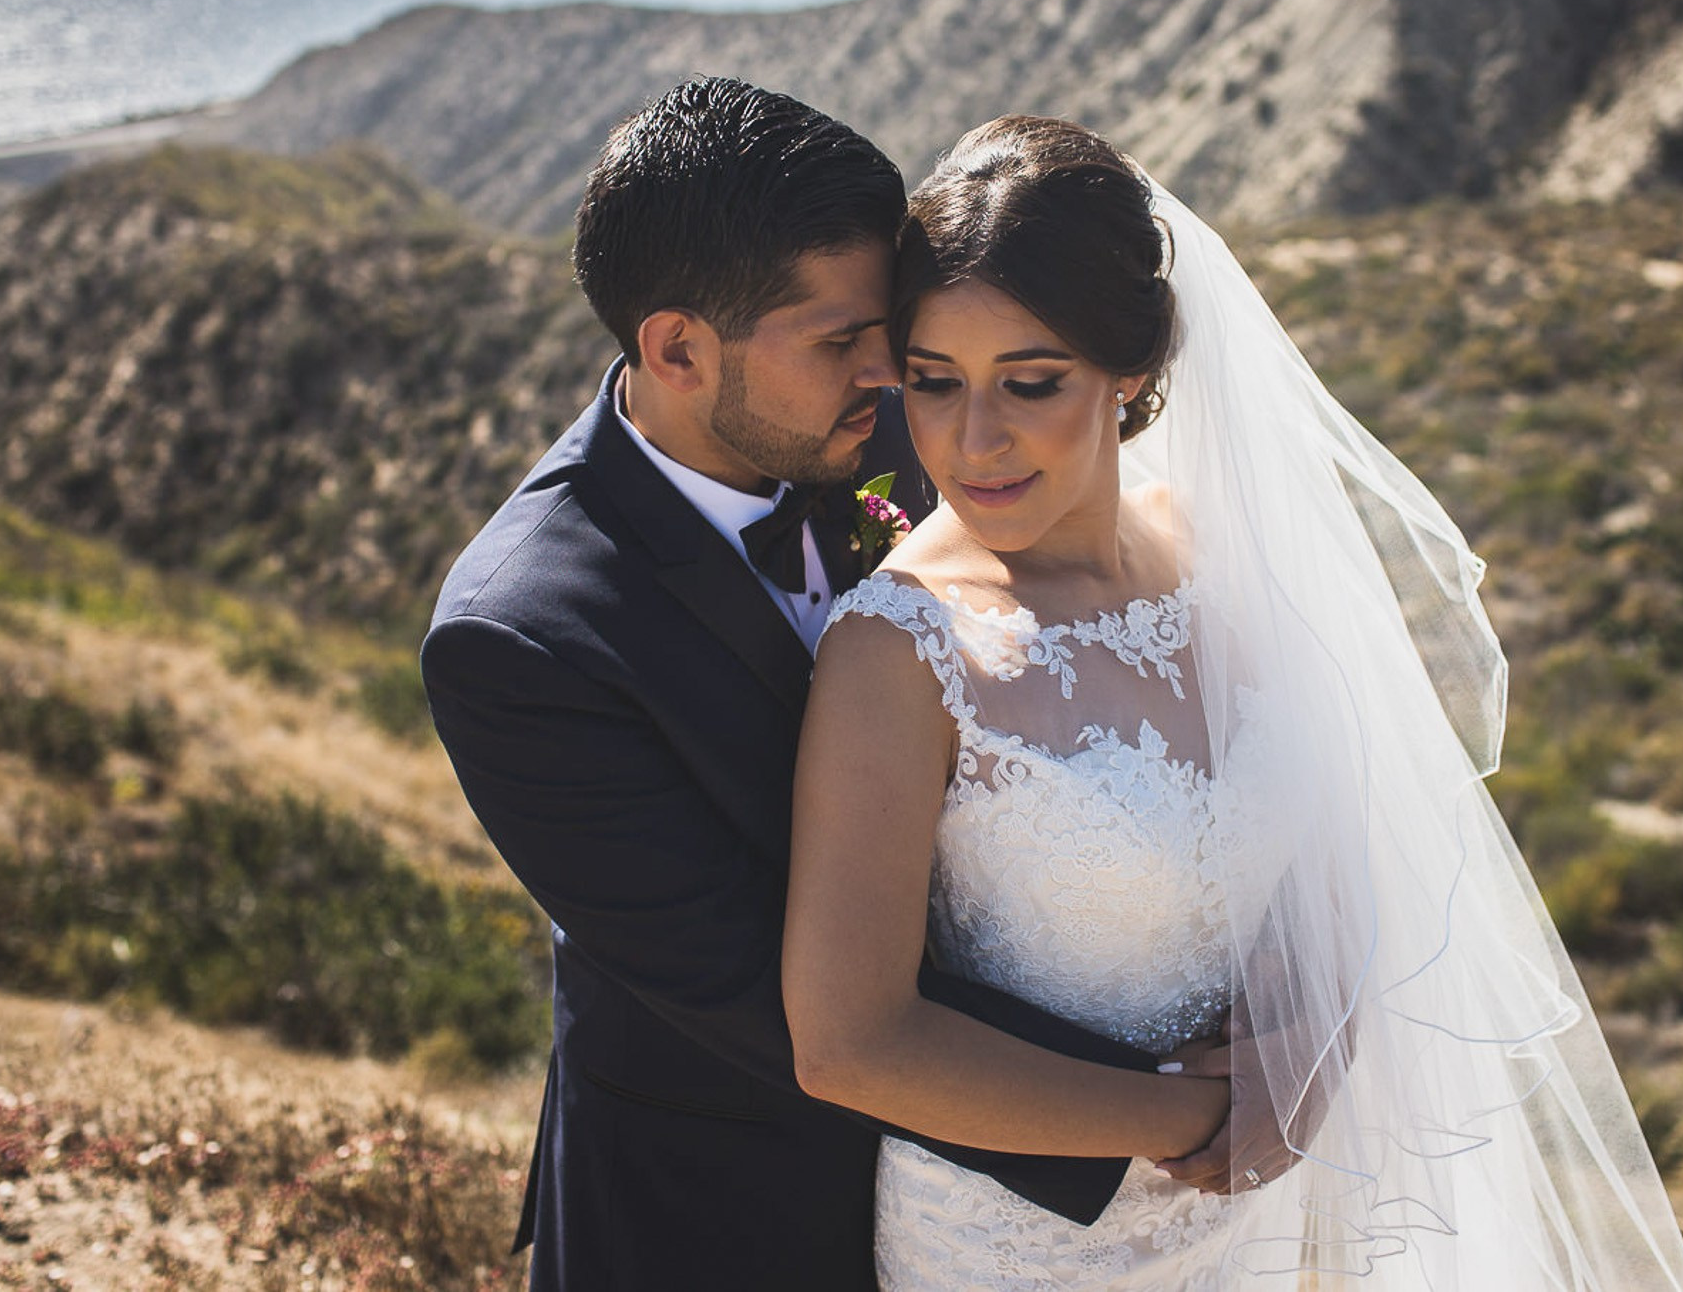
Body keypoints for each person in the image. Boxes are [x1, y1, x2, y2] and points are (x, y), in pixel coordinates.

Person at [784, 116, 1683, 1287]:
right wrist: (1196, 1117)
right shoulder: (897, 647)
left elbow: (1349, 838)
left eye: (1031, 382)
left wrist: (1314, 1054)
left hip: (1254, 1219)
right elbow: (850, 1044)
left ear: (1133, 370)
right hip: (1017, 1246)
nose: (975, 439)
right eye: (933, 383)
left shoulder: (1231, 550)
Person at [420, 79, 1219, 1292]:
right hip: (723, 1217)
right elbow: (777, 1007)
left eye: (889, 330)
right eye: (844, 340)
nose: (899, 374)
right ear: (679, 349)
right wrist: (1173, 1107)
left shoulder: (915, 418)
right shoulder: (522, 639)